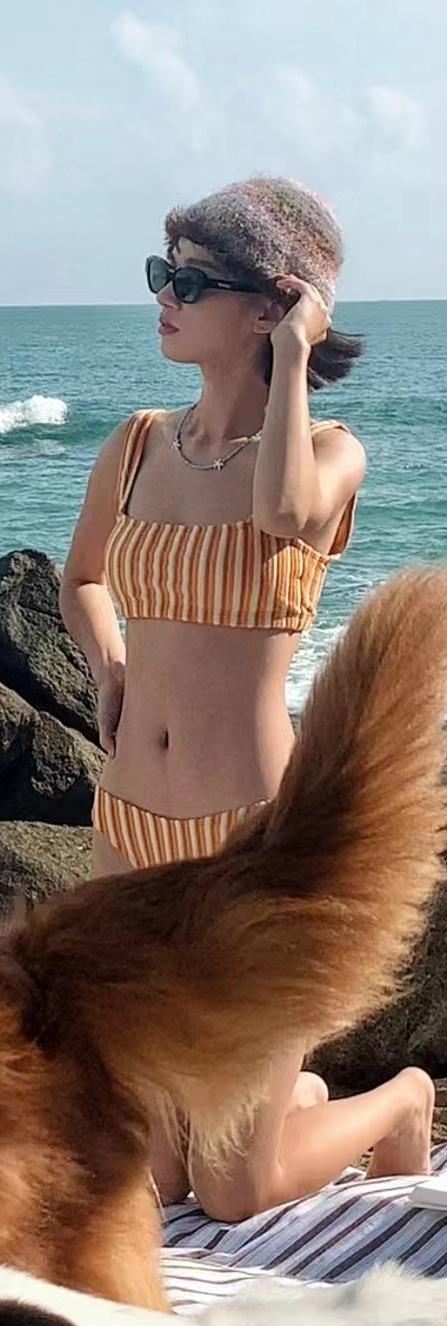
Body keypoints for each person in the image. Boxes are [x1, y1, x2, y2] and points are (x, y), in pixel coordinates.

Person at [59, 177, 434, 1221]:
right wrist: (110, 669)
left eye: (190, 281)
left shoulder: (329, 455)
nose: (162, 296)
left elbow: (281, 514)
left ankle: (403, 1098)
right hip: (128, 822)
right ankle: (294, 1103)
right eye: (161, 272)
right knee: (159, 1173)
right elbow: (80, 578)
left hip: (252, 830)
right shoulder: (136, 443)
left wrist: (299, 356)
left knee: (234, 1190)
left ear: (271, 307)